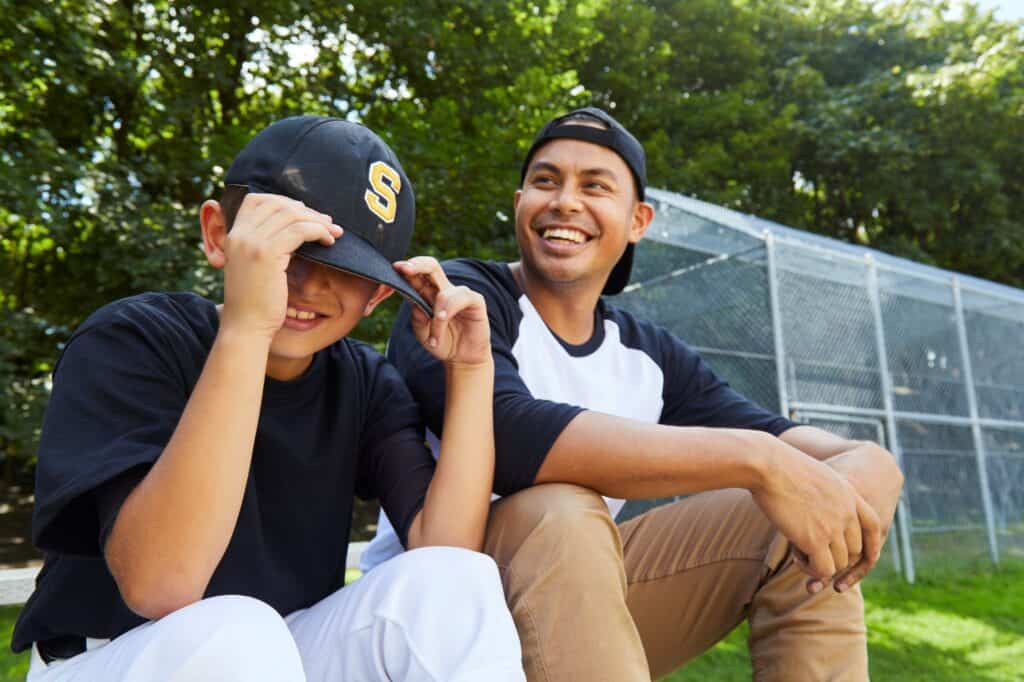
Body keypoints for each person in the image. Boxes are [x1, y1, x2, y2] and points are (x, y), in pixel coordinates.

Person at [364, 106, 905, 681]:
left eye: (594, 186)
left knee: (797, 515)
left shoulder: (649, 353)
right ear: (520, 201)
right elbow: (511, 435)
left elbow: (782, 441)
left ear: (638, 219)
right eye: (546, 181)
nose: (565, 201)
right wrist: (759, 461)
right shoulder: (465, 295)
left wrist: (868, 462)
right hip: (433, 617)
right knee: (560, 507)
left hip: (574, 613)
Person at [12, 116, 525, 682]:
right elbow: (162, 582)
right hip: (117, 656)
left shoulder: (365, 383)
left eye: (345, 266)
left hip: (281, 650)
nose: (308, 283)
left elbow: (444, 552)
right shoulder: (133, 339)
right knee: (237, 632)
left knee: (454, 580)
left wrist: (473, 369)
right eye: (288, 247)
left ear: (379, 293)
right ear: (219, 235)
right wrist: (248, 331)